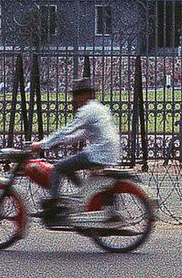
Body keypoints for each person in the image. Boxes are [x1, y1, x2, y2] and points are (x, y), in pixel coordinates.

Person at [31, 78, 122, 220]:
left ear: (85, 95)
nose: (75, 99)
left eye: (77, 95)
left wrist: (42, 144)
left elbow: (67, 129)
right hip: (110, 151)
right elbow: (82, 134)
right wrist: (62, 142)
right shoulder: (99, 108)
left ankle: (53, 205)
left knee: (59, 168)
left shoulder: (87, 110)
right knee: (69, 165)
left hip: (99, 153)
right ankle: (84, 194)